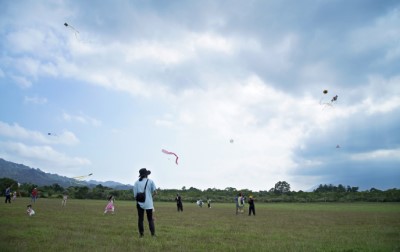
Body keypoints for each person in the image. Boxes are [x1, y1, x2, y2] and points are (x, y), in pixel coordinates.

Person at [133, 168, 157, 238]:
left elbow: (135, 196)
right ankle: (153, 235)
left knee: (140, 219)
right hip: (149, 203)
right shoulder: (151, 181)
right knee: (150, 219)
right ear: (146, 175)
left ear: (140, 175)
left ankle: (141, 235)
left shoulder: (136, 182)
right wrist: (150, 197)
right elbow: (155, 192)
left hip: (140, 203)